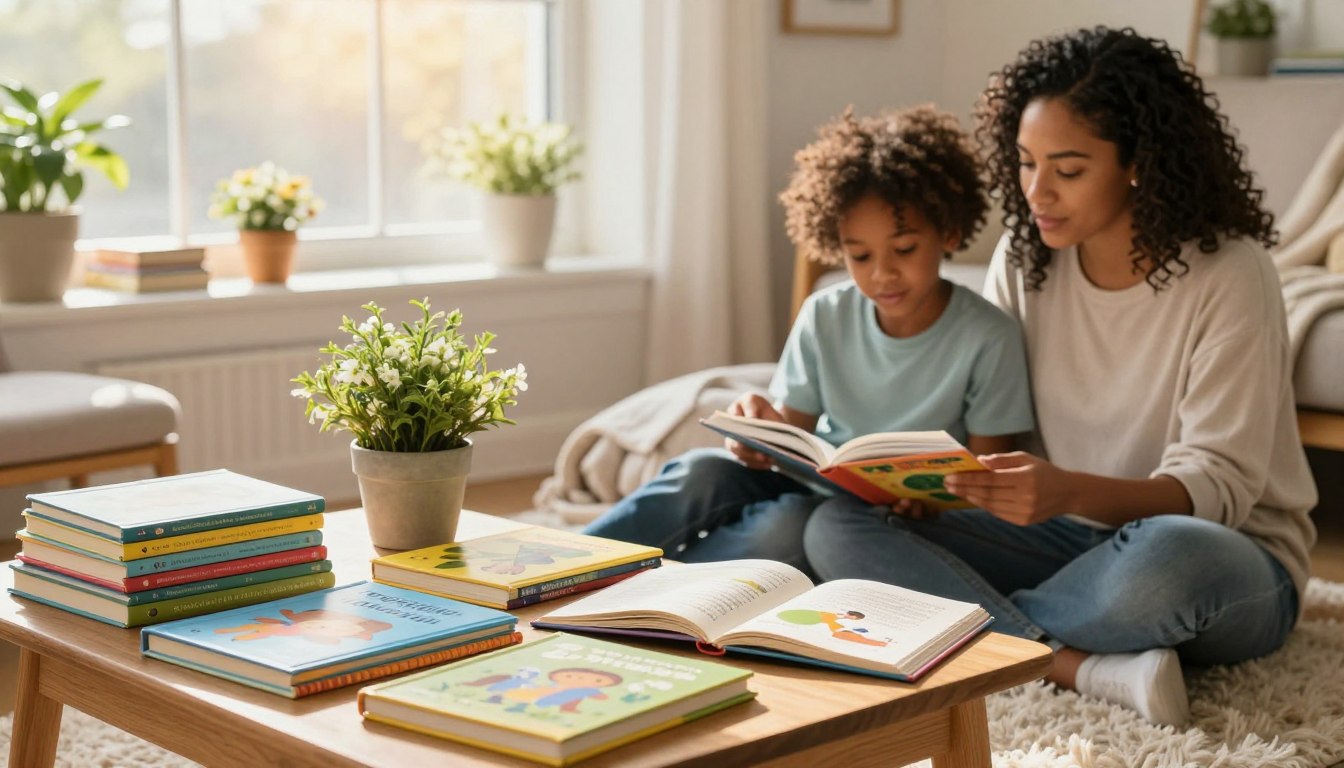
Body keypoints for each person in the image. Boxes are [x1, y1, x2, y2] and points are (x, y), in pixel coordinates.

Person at [801, 26, 1318, 727]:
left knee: (1168, 558)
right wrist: (934, 488)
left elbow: (1219, 490)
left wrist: (1064, 490)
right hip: (1066, 542)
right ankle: (1064, 659)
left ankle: (969, 633)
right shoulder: (1025, 258)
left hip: (1222, 558)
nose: (1037, 192)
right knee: (840, 528)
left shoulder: (1229, 272)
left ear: (1138, 162)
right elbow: (997, 427)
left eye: (1067, 171)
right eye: (1024, 164)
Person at [583, 105, 1035, 576]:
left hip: (885, 520)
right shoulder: (826, 313)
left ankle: (651, 587)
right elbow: (789, 443)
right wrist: (756, 433)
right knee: (701, 470)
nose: (882, 274)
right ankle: (566, 564)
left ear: (950, 232)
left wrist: (934, 506)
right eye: (859, 256)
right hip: (815, 485)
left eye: (904, 249)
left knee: (790, 526)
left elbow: (985, 479)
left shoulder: (988, 335)